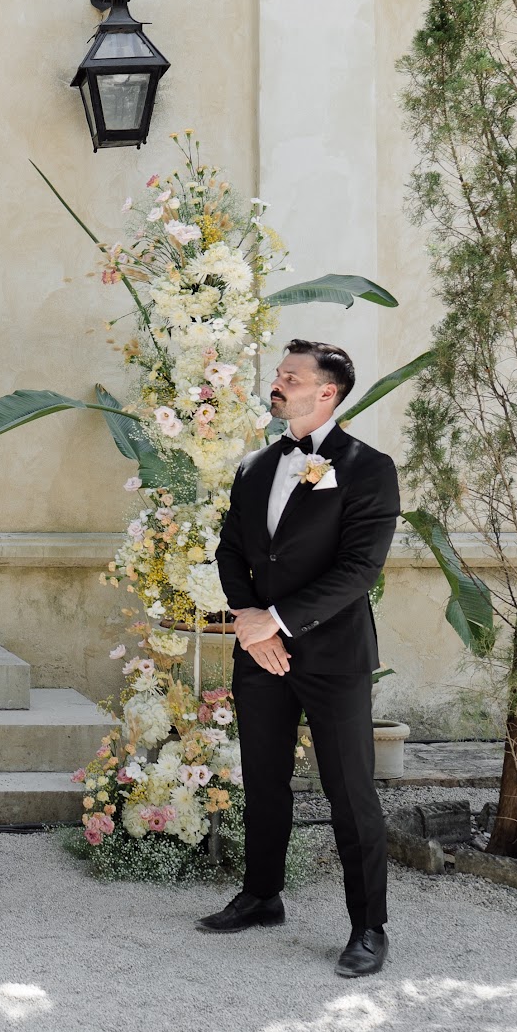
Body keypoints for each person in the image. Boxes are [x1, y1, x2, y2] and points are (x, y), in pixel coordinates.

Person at [201, 339, 401, 978]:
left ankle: (368, 927)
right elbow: (232, 550)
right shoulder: (256, 465)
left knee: (349, 791)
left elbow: (359, 569)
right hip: (259, 653)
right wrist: (251, 624)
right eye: (280, 374)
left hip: (333, 655)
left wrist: (278, 620)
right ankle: (262, 895)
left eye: (292, 376)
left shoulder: (369, 468)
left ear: (327, 392)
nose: (278, 383)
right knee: (262, 780)